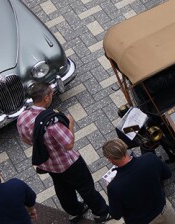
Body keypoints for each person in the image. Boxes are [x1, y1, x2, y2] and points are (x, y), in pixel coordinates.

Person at [17, 82, 108, 223]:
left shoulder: (22, 118)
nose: (52, 96)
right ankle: (101, 212)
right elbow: (69, 144)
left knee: (63, 189)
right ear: (46, 98)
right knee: (86, 187)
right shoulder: (52, 122)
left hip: (50, 165)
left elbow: (26, 140)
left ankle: (74, 211)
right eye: (52, 94)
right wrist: (70, 123)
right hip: (69, 162)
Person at [101, 140, 175, 224]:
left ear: (110, 159)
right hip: (164, 212)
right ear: (125, 147)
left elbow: (116, 214)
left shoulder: (114, 187)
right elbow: (168, 174)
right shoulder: (150, 158)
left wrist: (110, 191)